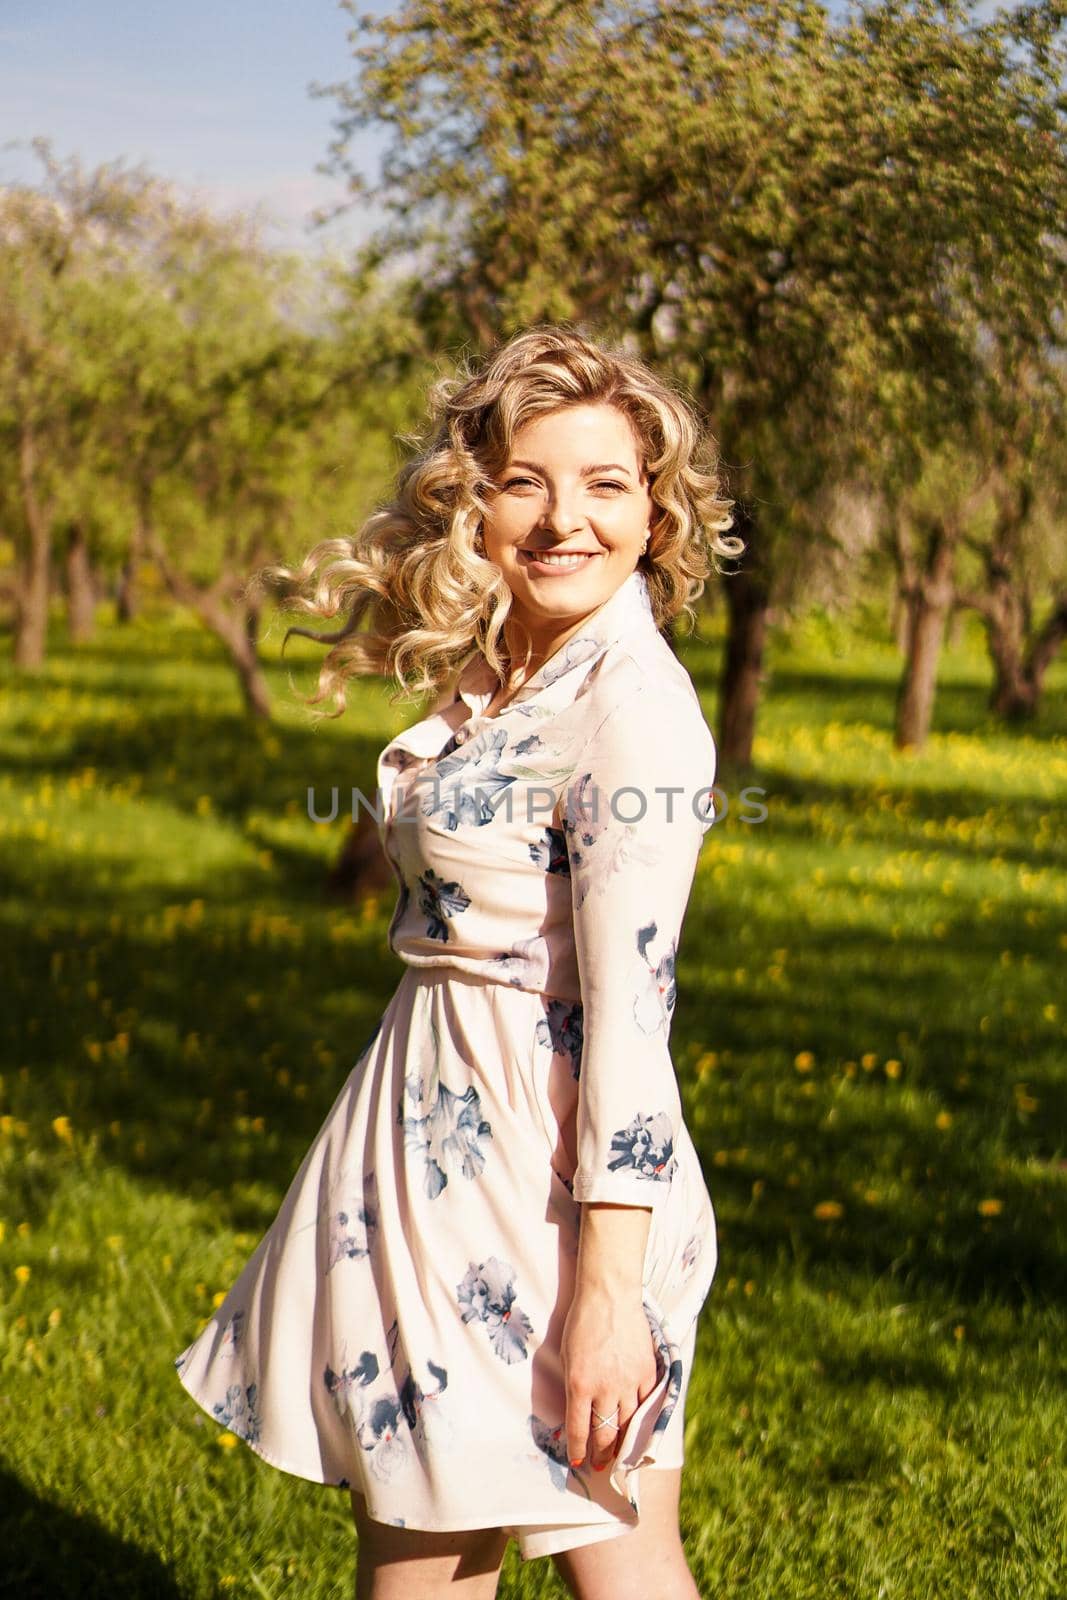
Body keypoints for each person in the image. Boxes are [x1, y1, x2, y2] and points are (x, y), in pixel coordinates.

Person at [172, 324, 744, 1599]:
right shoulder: (522, 669)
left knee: (605, 1555)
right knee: (438, 1552)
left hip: (545, 1199)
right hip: (436, 1156)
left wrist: (604, 1293)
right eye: (525, 479)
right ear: (473, 499)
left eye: (605, 484)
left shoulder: (627, 704)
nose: (562, 520)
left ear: (654, 513)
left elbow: (632, 1012)